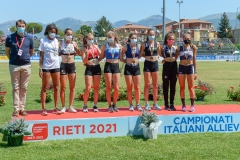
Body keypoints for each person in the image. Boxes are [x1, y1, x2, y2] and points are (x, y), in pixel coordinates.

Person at [5, 19, 34, 117]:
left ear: (25, 27)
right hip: (14, 66)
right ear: (16, 27)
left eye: (23, 26)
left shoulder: (29, 38)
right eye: (19, 26)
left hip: (26, 65)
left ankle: (22, 108)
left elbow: (31, 51)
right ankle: (16, 109)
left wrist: (25, 59)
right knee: (15, 88)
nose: (21, 28)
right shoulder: (10, 37)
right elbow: (7, 51)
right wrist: (13, 59)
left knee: (24, 88)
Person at [39, 24, 61, 116]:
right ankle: (44, 109)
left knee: (56, 87)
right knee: (45, 87)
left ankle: (56, 107)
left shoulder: (57, 41)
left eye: (54, 32)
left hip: (56, 66)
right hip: (46, 67)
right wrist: (40, 69)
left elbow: (58, 53)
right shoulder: (43, 41)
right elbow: (41, 56)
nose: (53, 33)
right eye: (51, 32)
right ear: (47, 31)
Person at [59, 28, 81, 113]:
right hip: (63, 65)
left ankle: (71, 106)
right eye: (68, 34)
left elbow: (79, 53)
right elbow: (56, 53)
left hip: (72, 65)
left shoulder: (74, 43)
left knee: (72, 87)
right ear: (65, 34)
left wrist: (76, 48)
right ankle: (63, 106)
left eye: (71, 34)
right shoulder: (60, 43)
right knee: (63, 87)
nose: (70, 36)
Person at [99, 31, 122, 112]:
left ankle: (114, 104)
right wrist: (92, 61)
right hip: (108, 66)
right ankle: (109, 106)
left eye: (110, 36)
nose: (109, 38)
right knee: (108, 87)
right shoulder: (105, 46)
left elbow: (121, 58)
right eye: (108, 37)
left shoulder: (119, 46)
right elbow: (101, 57)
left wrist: (130, 61)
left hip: (116, 66)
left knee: (116, 88)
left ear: (114, 36)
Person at [120, 33, 142, 111]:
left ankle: (138, 104)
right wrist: (126, 62)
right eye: (132, 38)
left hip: (136, 67)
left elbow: (140, 55)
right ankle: (130, 105)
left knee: (137, 87)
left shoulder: (139, 46)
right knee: (129, 87)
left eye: (135, 38)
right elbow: (121, 57)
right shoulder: (126, 46)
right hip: (128, 67)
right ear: (129, 38)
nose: (134, 39)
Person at [140, 29, 161, 111]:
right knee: (147, 84)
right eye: (150, 34)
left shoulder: (157, 44)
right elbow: (141, 53)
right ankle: (147, 103)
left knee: (155, 85)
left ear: (155, 35)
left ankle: (155, 103)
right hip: (147, 64)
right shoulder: (144, 44)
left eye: (153, 34)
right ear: (147, 35)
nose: (152, 35)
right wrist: (147, 57)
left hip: (155, 64)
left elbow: (160, 53)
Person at [81, 33, 101, 112]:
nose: (91, 40)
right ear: (86, 39)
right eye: (89, 39)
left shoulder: (95, 46)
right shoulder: (84, 48)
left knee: (96, 88)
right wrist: (86, 55)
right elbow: (84, 61)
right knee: (88, 88)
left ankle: (95, 105)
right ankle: (85, 105)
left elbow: (101, 55)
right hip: (89, 68)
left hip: (97, 67)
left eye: (92, 39)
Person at [178, 33, 197, 112]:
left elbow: (194, 60)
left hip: (190, 67)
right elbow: (174, 56)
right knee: (182, 87)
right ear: (183, 39)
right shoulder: (179, 48)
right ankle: (183, 105)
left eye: (188, 38)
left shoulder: (193, 48)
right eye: (185, 38)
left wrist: (195, 71)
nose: (187, 40)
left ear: (191, 39)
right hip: (182, 67)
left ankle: (192, 105)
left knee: (191, 87)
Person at [159, 32, 179, 111]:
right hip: (166, 66)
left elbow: (177, 55)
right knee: (165, 85)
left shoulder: (176, 47)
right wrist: (163, 60)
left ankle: (172, 104)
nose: (171, 40)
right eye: (170, 39)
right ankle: (166, 104)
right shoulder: (162, 47)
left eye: (173, 39)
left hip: (174, 66)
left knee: (173, 86)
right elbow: (159, 55)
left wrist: (174, 59)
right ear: (166, 40)